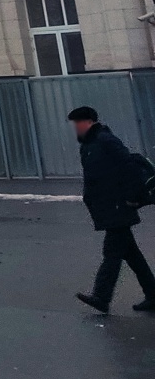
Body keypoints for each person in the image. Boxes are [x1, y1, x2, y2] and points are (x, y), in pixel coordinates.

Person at [68, 105, 155, 315]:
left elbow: (128, 168)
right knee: (131, 254)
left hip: (118, 206)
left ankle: (101, 297)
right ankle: (153, 294)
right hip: (107, 207)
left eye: (77, 124)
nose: (75, 129)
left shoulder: (106, 141)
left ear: (87, 122)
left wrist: (136, 198)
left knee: (112, 253)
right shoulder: (89, 145)